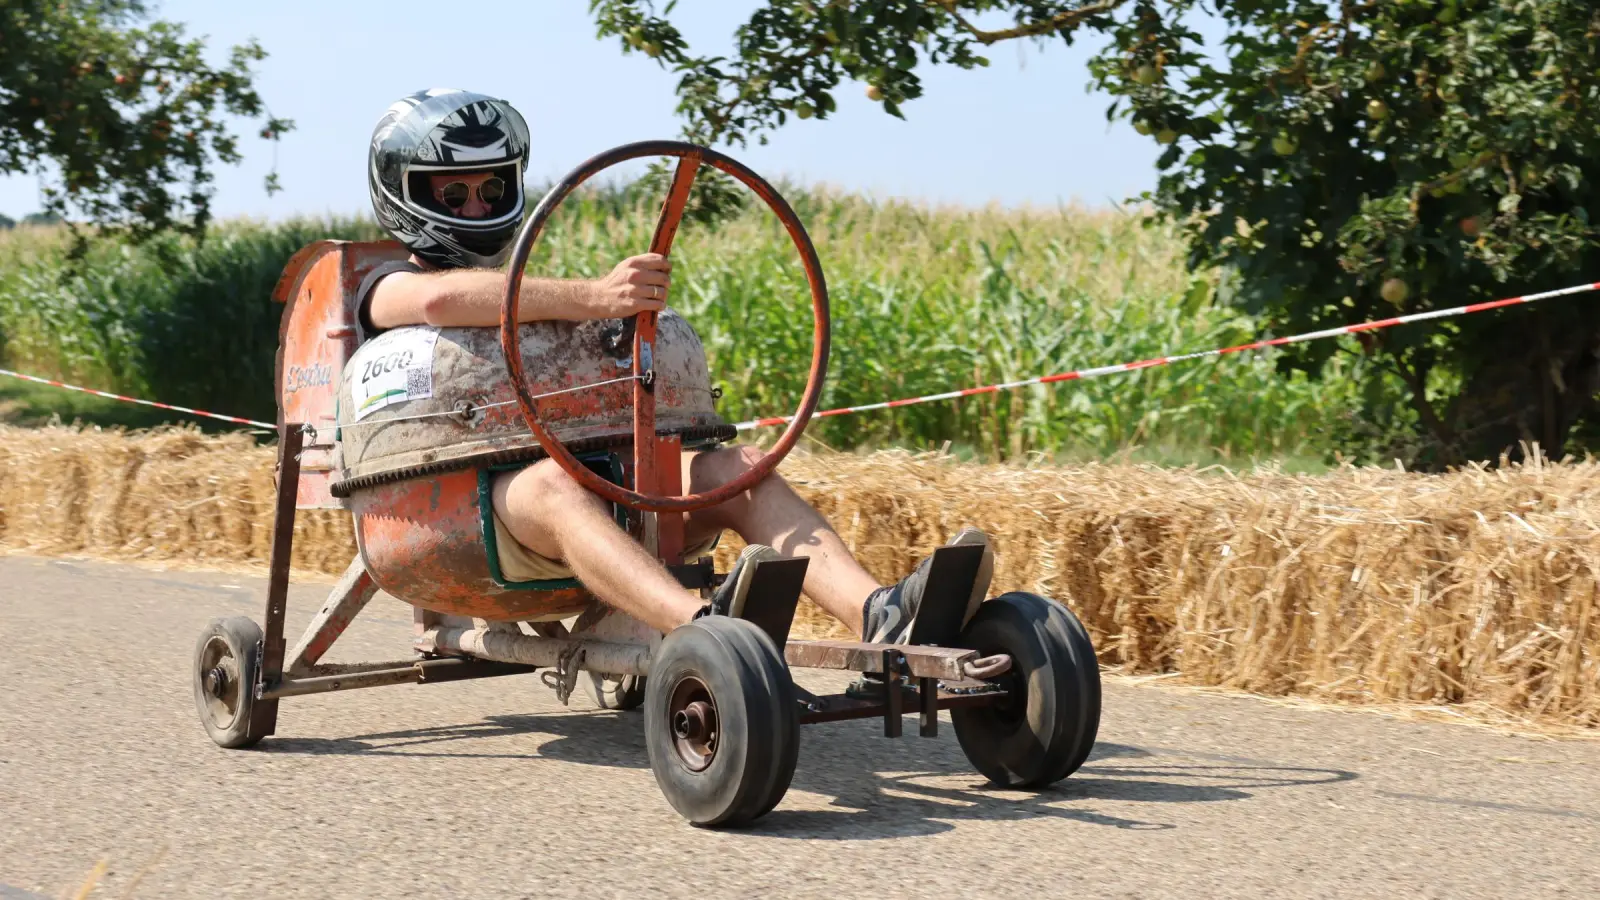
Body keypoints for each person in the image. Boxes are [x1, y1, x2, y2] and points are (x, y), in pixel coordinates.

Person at [361, 88, 993, 651]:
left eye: (492, 190)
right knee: (554, 483)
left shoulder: (535, 295)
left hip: (606, 491)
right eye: (454, 194)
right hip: (468, 519)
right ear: (406, 196)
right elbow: (441, 301)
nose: (476, 207)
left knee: (739, 468)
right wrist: (598, 297)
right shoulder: (386, 289)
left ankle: (878, 614)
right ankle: (705, 631)